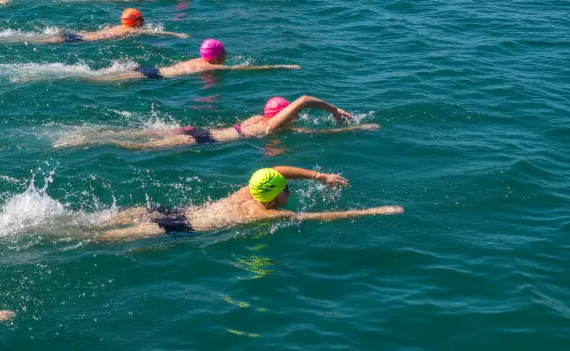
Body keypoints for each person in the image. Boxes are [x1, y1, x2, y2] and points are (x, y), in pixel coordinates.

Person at [85, 167, 402, 242]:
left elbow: (276, 171)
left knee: (96, 221)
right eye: (287, 190)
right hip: (180, 228)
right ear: (276, 195)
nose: (290, 192)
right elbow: (325, 217)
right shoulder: (263, 215)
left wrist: (319, 177)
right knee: (91, 239)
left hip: (175, 212)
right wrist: (375, 211)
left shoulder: (246, 192)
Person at [53, 94, 377, 149]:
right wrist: (336, 112)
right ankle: (89, 140)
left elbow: (304, 128)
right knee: (137, 145)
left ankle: (89, 134)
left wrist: (361, 127)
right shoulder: (270, 129)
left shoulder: (257, 119)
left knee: (141, 133)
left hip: (200, 131)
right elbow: (304, 100)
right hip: (203, 141)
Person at [85, 39, 299, 82]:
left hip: (155, 70)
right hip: (156, 78)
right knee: (103, 79)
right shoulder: (210, 68)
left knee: (106, 76)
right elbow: (250, 69)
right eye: (224, 52)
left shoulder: (199, 60)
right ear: (218, 57)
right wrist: (283, 66)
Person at [30, 7, 188, 44]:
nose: (143, 22)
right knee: (45, 41)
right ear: (136, 22)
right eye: (141, 19)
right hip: (82, 41)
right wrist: (177, 35)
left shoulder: (119, 27)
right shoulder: (133, 32)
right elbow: (155, 33)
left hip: (81, 36)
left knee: (44, 38)